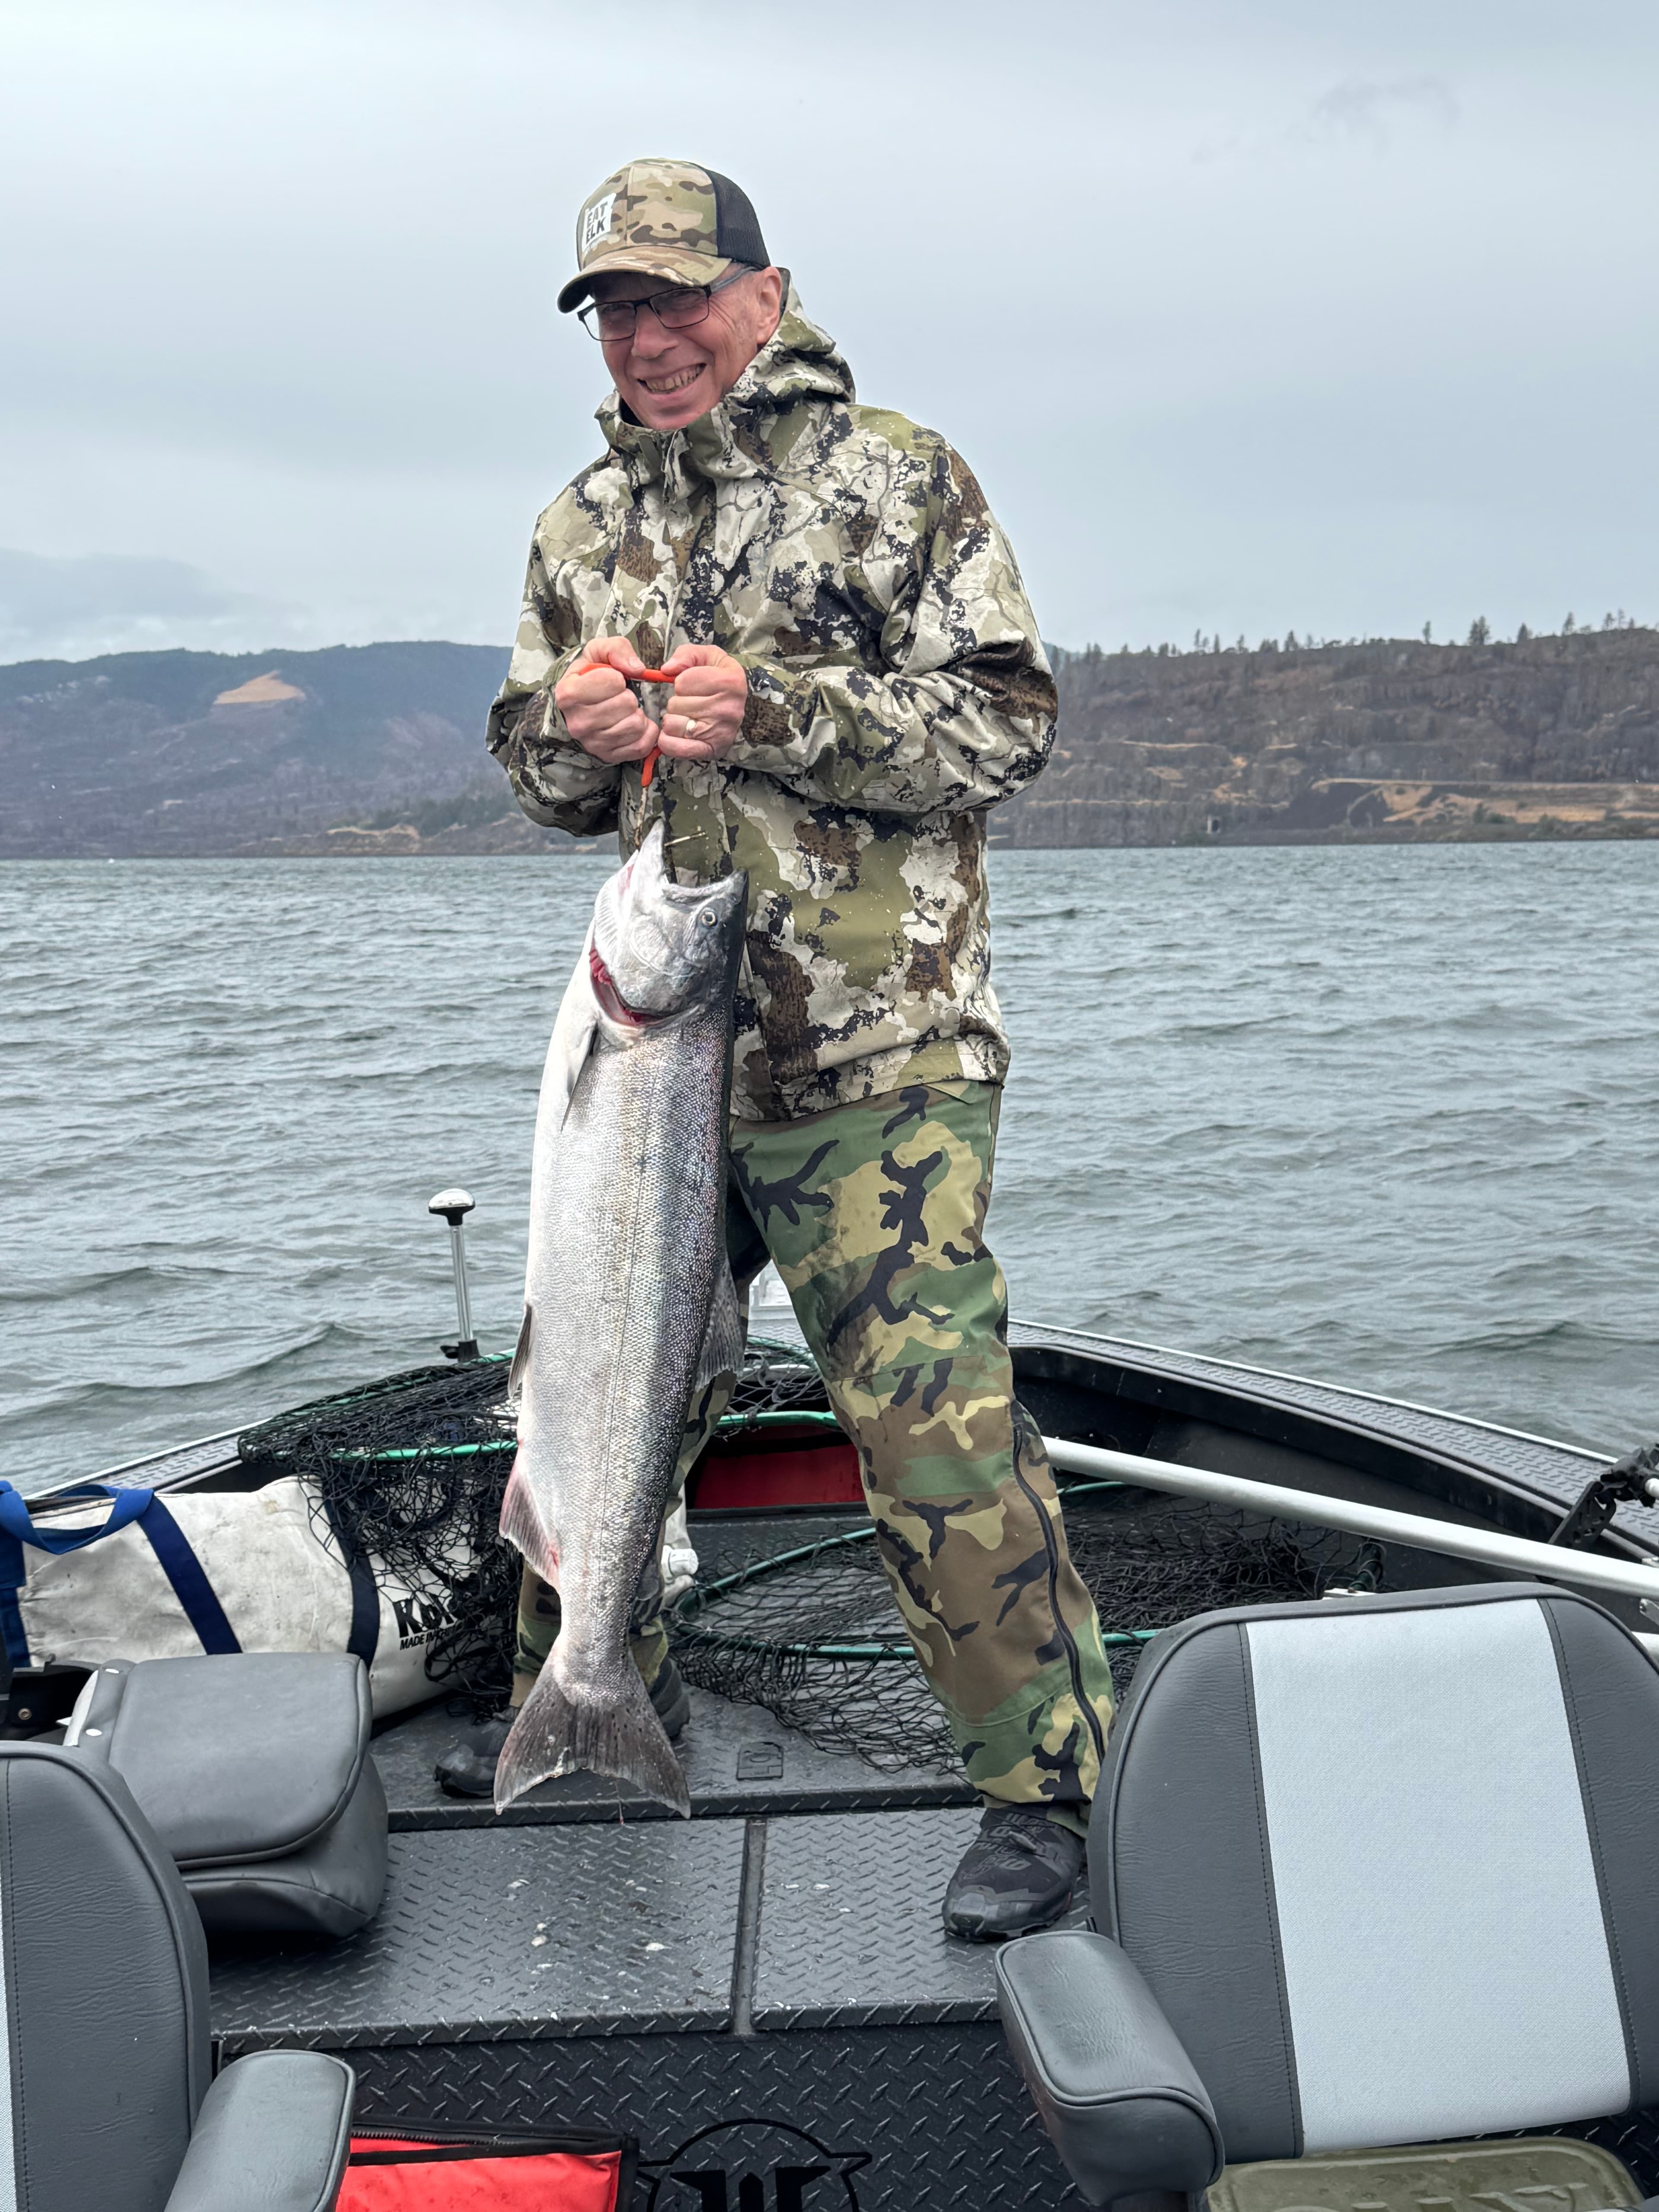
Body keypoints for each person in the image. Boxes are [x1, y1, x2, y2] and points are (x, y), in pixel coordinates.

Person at [439, 157, 1117, 1940]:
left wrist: (793, 709)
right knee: (579, 1384)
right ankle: (582, 1700)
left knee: (932, 1422)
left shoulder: (898, 473)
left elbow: (1007, 721)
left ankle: (1043, 1786)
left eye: (676, 297)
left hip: (874, 1056)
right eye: (615, 307)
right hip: (658, 1053)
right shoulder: (581, 525)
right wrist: (566, 737)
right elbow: (540, 771)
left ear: (766, 292)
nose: (647, 337)